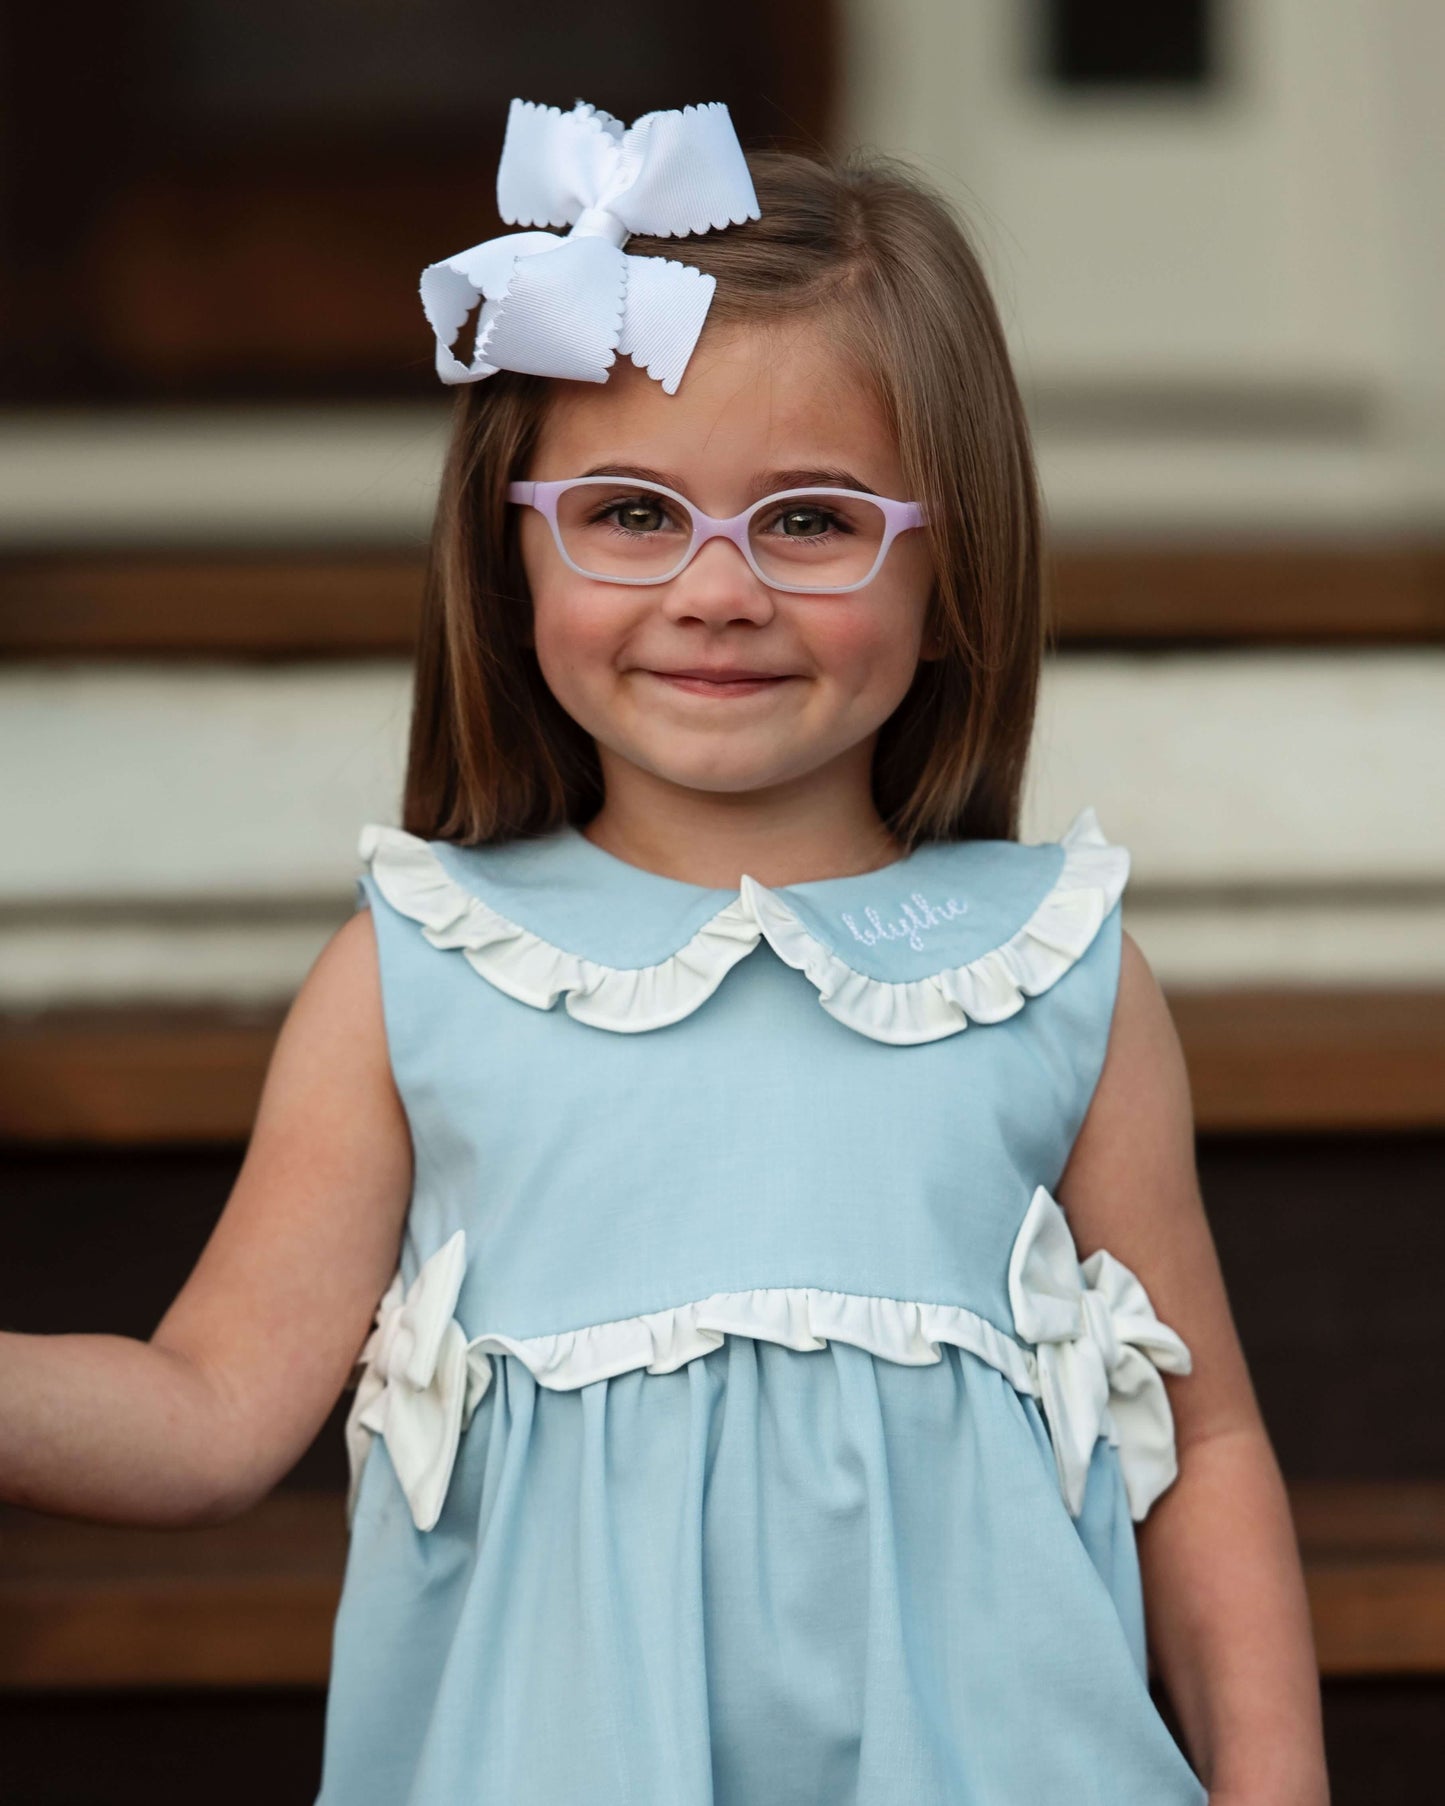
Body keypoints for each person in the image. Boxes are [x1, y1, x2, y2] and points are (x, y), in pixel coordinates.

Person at [0, 98, 1329, 1806]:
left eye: (811, 520)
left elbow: (1199, 1443)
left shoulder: (1048, 966)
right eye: (629, 513)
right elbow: (203, 1412)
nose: (718, 589)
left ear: (952, 573)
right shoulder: (424, 968)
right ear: (511, 545)